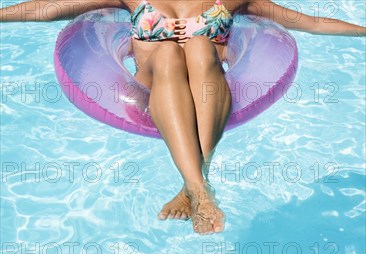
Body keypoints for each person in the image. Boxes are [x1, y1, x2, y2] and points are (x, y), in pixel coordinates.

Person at [1, 1, 365, 235]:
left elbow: (311, 22)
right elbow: (50, 7)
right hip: (151, 89)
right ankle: (199, 184)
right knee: (169, 54)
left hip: (209, 86)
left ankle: (194, 187)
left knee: (199, 45)